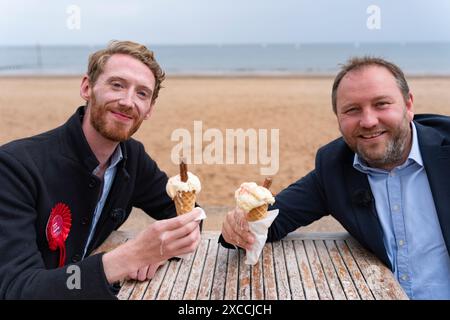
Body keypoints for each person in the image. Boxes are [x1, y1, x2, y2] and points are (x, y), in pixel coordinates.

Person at [220, 56, 450, 299]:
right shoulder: (334, 167)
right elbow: (271, 221)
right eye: (352, 110)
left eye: (381, 104)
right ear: (338, 118)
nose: (369, 121)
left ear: (408, 104)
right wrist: (237, 226)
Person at [0, 40, 203, 299]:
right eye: (117, 85)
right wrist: (129, 257)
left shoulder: (132, 157)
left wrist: (158, 251)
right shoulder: (14, 167)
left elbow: (189, 215)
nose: (128, 102)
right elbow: (18, 290)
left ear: (149, 109)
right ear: (87, 87)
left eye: (142, 93)